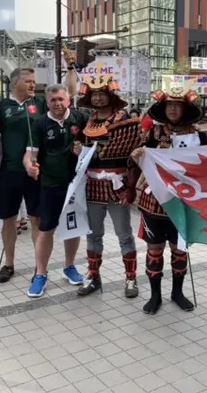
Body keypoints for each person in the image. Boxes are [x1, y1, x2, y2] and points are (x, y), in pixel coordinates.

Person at [130, 85, 207, 314]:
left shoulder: (198, 136)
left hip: (183, 201)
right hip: (154, 199)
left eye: (177, 105)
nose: (173, 109)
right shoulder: (154, 134)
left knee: (179, 249)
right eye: (169, 105)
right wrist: (138, 155)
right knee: (154, 248)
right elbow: (141, 160)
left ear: (185, 109)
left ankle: (177, 292)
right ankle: (155, 295)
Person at [73, 75, 140, 298]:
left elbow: (133, 157)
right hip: (92, 185)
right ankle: (93, 275)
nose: (99, 98)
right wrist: (78, 153)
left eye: (102, 94)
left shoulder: (126, 122)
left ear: (110, 96)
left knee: (124, 234)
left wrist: (131, 186)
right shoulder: (87, 122)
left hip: (117, 184)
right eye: (95, 95)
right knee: (93, 234)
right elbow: (84, 154)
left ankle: (131, 278)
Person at [23, 84, 88, 298]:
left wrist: (83, 149)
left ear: (68, 100)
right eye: (53, 100)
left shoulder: (80, 118)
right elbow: (31, 154)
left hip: (75, 184)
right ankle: (40, 274)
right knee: (46, 229)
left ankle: (70, 266)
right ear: (47, 102)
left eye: (61, 99)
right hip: (49, 183)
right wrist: (30, 166)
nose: (58, 103)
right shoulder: (39, 123)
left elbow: (93, 145)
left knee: (73, 226)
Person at [0, 68, 45, 283]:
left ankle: (39, 268)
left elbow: (68, 93)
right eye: (28, 81)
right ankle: (9, 264)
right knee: (9, 220)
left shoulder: (40, 103)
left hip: (35, 172)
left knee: (36, 219)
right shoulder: (2, 107)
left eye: (34, 82)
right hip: (9, 171)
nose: (33, 85)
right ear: (15, 83)